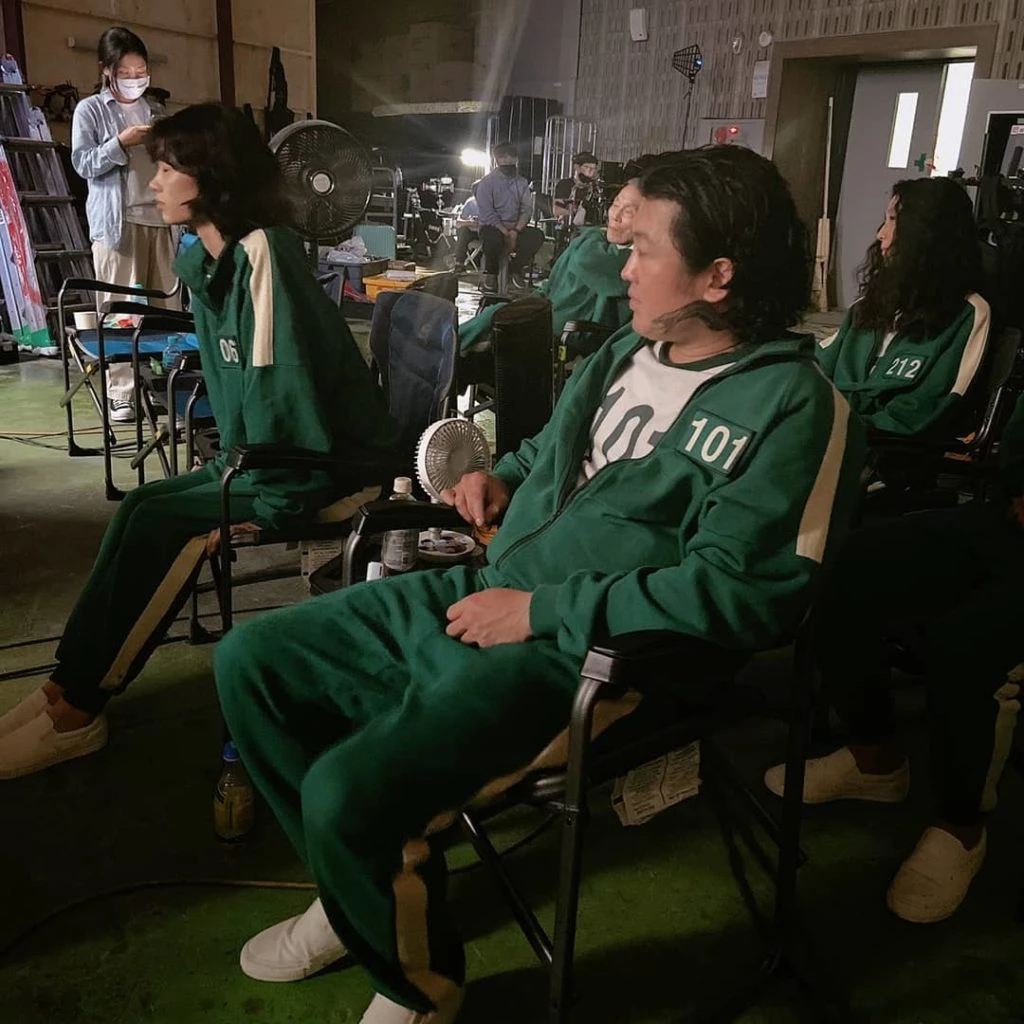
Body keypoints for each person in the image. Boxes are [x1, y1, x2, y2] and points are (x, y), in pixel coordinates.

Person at [212, 145, 866, 1024]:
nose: (622, 269)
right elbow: (556, 454)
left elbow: (749, 596)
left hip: (602, 657)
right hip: (496, 587)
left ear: (718, 276)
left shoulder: (794, 405)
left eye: (644, 251)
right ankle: (360, 887)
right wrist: (502, 478)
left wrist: (543, 611)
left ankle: (419, 989)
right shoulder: (626, 352)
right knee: (252, 661)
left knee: (346, 792)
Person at [0, 103, 397, 780]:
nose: (154, 181)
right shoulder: (209, 260)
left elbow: (283, 392)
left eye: (168, 168)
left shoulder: (265, 254)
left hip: (319, 466)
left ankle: (79, 714)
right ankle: (63, 685)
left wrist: (264, 505)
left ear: (214, 178)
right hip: (259, 456)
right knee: (138, 507)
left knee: (166, 527)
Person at [764, 392, 1024, 923]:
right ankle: (874, 758)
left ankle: (960, 825)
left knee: (968, 643)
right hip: (1007, 521)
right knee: (841, 566)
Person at [816, 177, 990, 438]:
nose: (880, 233)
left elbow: (927, 408)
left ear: (924, 234)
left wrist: (843, 430)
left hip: (883, 448)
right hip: (828, 434)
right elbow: (817, 366)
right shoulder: (867, 307)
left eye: (892, 220)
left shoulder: (969, 314)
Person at [71, 27, 177, 423]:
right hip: (119, 224)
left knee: (168, 310)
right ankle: (122, 392)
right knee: (120, 312)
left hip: (160, 221)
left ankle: (170, 386)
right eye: (125, 72)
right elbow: (83, 163)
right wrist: (121, 142)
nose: (135, 78)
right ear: (106, 70)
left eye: (141, 71)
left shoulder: (155, 111)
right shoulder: (91, 111)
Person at [457, 176, 641, 353]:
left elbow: (588, 260)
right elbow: (554, 282)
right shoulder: (595, 242)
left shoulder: (631, 259)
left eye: (628, 212)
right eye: (615, 205)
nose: (615, 216)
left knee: (493, 325)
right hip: (544, 311)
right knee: (490, 319)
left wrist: (591, 236)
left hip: (563, 329)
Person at [473, 142, 544, 291]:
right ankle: (491, 274)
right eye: (503, 158)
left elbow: (527, 209)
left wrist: (516, 231)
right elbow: (487, 213)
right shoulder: (486, 183)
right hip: (493, 226)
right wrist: (506, 232)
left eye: (511, 158)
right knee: (492, 238)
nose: (508, 161)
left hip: (516, 227)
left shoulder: (522, 183)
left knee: (537, 236)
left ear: (516, 159)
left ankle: (515, 269)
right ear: (497, 160)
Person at [553, 150, 603, 229]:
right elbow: (558, 209)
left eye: (593, 168)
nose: (590, 171)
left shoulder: (595, 188)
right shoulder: (565, 185)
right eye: (586, 167)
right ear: (576, 167)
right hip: (568, 226)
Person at [450, 181, 480, 272]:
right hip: (473, 231)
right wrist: (470, 222)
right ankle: (459, 263)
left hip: (486, 231)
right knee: (463, 230)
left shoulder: (492, 202)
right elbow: (458, 222)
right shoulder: (471, 202)